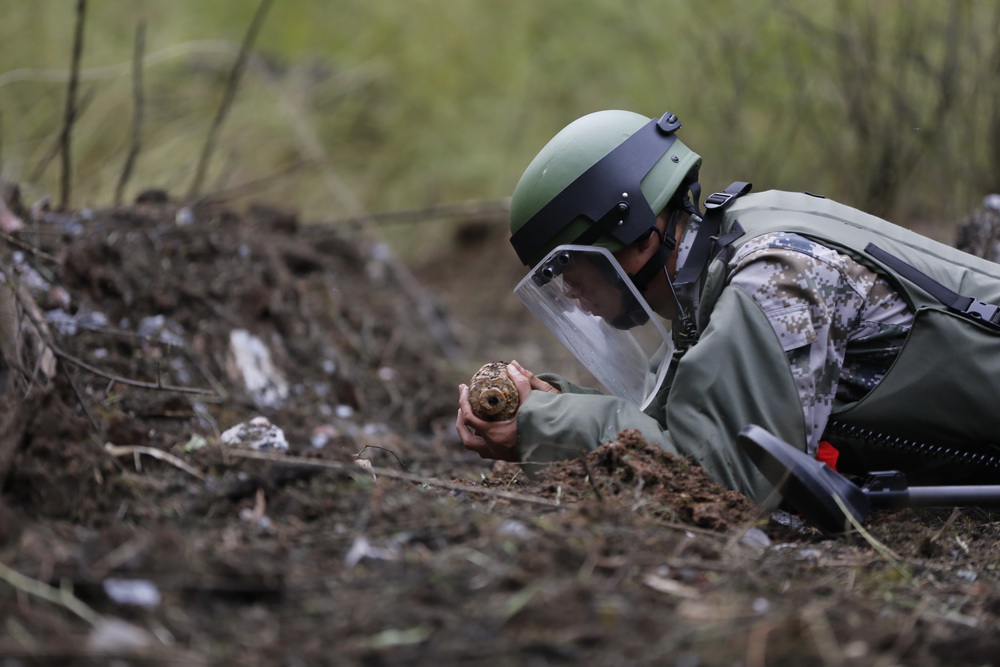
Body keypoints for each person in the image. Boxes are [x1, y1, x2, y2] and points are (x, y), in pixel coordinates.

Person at [456, 109, 1000, 505]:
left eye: (571, 273)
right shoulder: (725, 251)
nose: (572, 295)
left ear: (639, 236)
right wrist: (554, 403)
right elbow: (684, 417)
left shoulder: (774, 276)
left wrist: (547, 425)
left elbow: (730, 479)